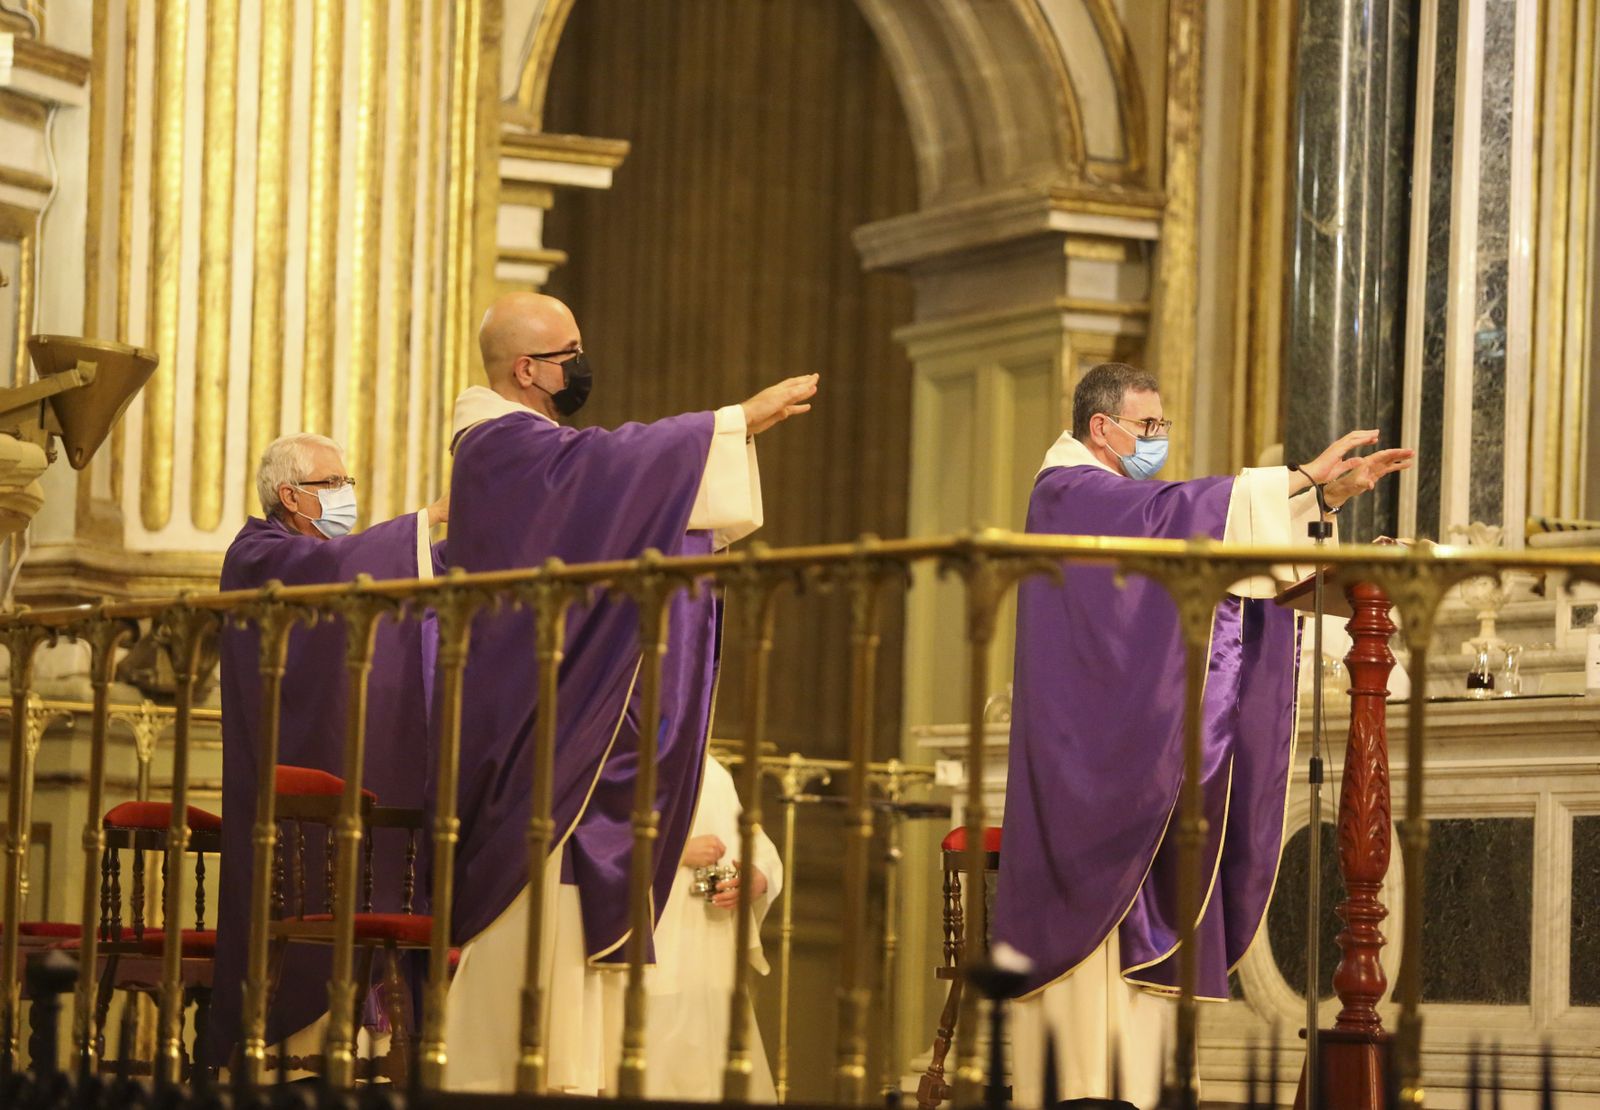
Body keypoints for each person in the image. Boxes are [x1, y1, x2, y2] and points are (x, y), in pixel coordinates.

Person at [993, 363, 1413, 1108]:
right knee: (1087, 1029)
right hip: (1083, 767)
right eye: (1149, 428)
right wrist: (1303, 477)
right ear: (1102, 428)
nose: (1158, 441)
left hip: (1122, 759)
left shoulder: (1114, 497)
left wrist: (1321, 500)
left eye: (1161, 429)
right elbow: (1173, 514)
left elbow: (1197, 558)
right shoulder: (1065, 490)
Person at [441, 292, 816, 1093]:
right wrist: (733, 421)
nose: (581, 364)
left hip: (556, 713)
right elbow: (606, 468)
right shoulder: (499, 448)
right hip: (529, 724)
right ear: (526, 368)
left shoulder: (536, 448)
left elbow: (602, 486)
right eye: (568, 351)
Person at [212, 433, 446, 1071]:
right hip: (291, 805)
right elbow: (334, 569)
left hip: (365, 788)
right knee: (305, 907)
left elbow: (381, 569)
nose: (347, 494)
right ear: (290, 495)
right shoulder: (259, 554)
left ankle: (375, 1057)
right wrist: (429, 518)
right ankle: (285, 1057)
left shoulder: (344, 558)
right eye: (333, 483)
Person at [627, 753, 783, 1101]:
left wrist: (757, 877)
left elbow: (758, 848)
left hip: (707, 959)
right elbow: (596, 842)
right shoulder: (615, 756)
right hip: (645, 953)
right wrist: (674, 851)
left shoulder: (709, 771)